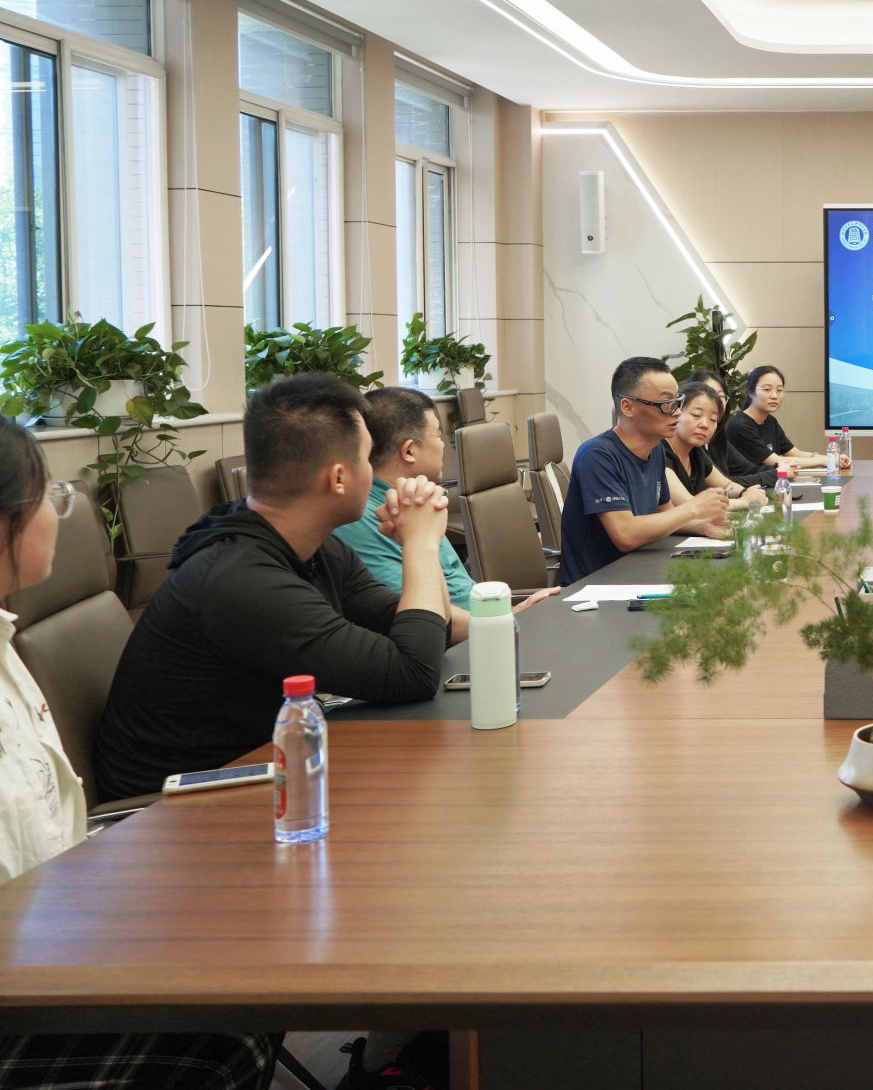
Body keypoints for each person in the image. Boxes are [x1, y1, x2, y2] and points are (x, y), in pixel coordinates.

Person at [0, 424, 276, 1086]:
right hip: (29, 982)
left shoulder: (6, 641)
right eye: (49, 495)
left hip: (56, 928)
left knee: (257, 957)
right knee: (232, 1024)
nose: (59, 512)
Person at [95, 375, 457, 810]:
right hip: (181, 810)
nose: (374, 472)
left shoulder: (312, 547)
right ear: (339, 478)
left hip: (268, 770)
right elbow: (413, 673)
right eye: (366, 459)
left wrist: (421, 541)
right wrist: (420, 543)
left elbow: (427, 632)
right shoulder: (241, 580)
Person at [333, 386, 556, 615]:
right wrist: (507, 620)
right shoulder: (363, 522)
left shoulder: (416, 504)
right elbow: (423, 617)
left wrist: (512, 615)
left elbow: (455, 593)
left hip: (485, 621)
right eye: (438, 435)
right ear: (409, 451)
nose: (442, 445)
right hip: (468, 633)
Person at [558, 357, 729, 586]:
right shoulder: (597, 455)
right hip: (596, 585)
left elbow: (665, 514)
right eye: (666, 403)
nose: (677, 412)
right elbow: (626, 535)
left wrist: (703, 525)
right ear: (627, 407)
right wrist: (693, 508)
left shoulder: (655, 449)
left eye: (678, 401)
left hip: (638, 570)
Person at [664, 383, 768, 510]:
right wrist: (744, 502)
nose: (704, 424)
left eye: (713, 419)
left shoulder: (695, 451)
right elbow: (690, 506)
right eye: (696, 415)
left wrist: (745, 492)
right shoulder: (660, 452)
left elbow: (726, 485)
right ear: (675, 412)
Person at [724, 365, 827, 476]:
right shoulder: (740, 426)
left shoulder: (770, 421)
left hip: (769, 482)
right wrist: (823, 461)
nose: (774, 396)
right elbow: (777, 462)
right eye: (767, 389)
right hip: (748, 485)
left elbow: (795, 453)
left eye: (779, 390)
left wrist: (828, 458)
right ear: (750, 392)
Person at [684, 368, 775, 490]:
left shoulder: (716, 436)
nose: (715, 400)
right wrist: (778, 473)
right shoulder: (740, 425)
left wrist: (780, 470)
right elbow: (722, 484)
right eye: (696, 415)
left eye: (720, 396)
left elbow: (741, 474)